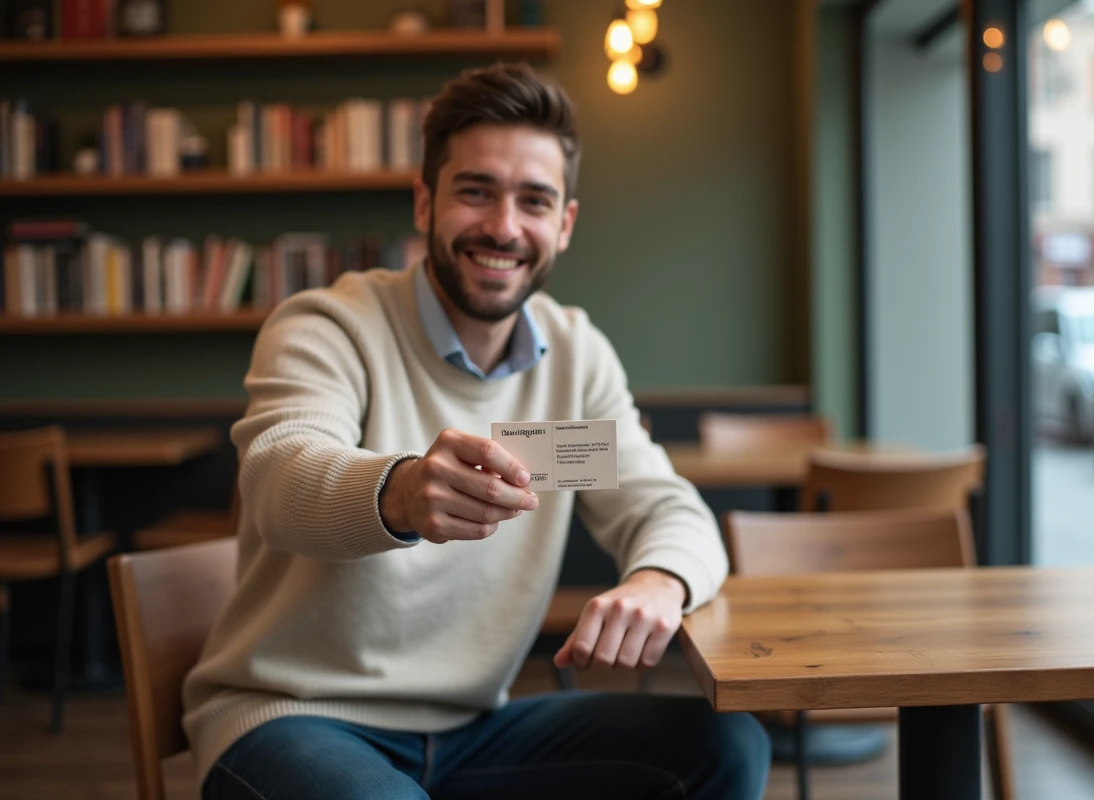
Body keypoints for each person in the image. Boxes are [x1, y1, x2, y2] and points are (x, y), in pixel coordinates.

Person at [183, 62, 771, 800]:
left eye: (534, 201)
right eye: (475, 191)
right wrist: (396, 493)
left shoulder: (574, 357)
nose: (503, 226)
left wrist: (661, 580)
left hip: (471, 730)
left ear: (564, 224)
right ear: (425, 203)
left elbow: (666, 508)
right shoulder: (329, 326)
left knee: (725, 746)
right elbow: (278, 480)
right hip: (293, 717)